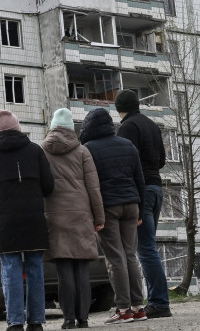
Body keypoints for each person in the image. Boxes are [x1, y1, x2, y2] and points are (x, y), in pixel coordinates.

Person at [0, 110, 55, 331]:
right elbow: (49, 185)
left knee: (11, 268)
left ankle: (15, 322)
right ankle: (36, 322)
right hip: (33, 218)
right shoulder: (35, 150)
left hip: (6, 220)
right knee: (35, 268)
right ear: (18, 127)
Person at [80, 107, 147, 324]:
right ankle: (139, 307)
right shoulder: (128, 145)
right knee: (130, 255)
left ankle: (123, 309)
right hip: (131, 205)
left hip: (108, 207)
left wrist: (93, 214)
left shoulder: (88, 149)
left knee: (115, 258)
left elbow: (90, 185)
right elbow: (140, 179)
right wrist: (141, 209)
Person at [42, 108, 104, 330]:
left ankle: (68, 319)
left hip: (55, 216)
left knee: (64, 269)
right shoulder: (82, 152)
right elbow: (93, 188)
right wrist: (99, 217)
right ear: (71, 128)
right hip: (81, 215)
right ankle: (83, 319)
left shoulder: (43, 150)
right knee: (81, 269)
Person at [115, 89, 172, 319]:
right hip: (157, 189)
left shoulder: (128, 127)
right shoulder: (151, 125)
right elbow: (161, 160)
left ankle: (159, 302)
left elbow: (127, 160)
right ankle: (157, 300)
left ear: (120, 109)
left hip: (142, 191)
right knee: (148, 247)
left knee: (145, 248)